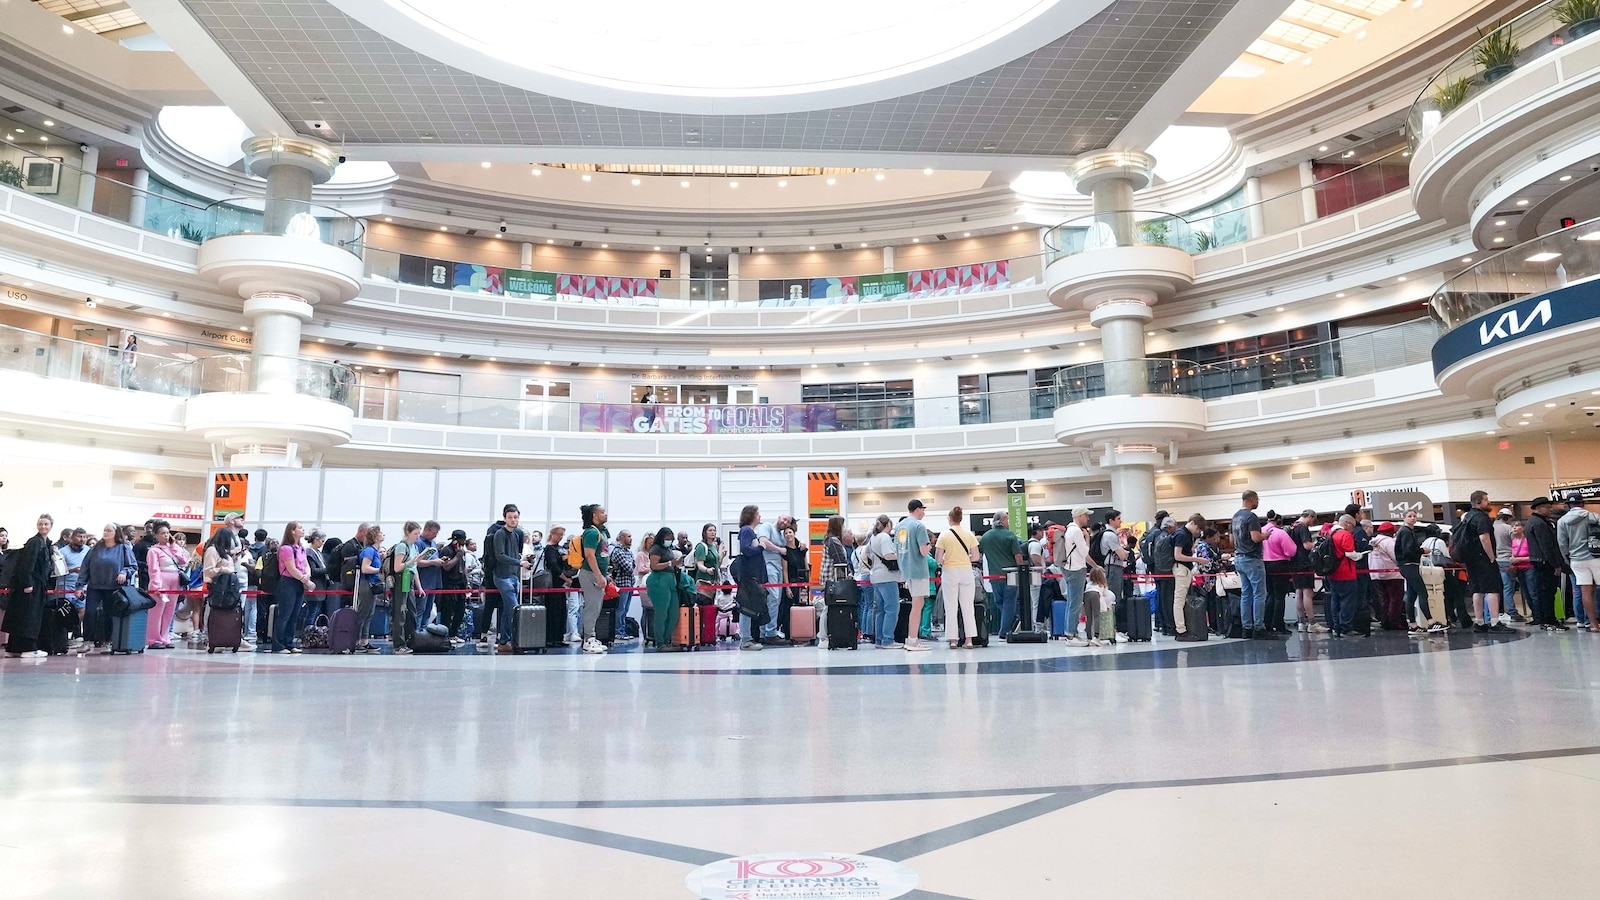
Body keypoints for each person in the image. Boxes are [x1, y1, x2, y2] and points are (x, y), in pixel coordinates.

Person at [77, 523, 138, 654]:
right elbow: (85, 567)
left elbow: (132, 565)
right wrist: (80, 585)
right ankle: (86, 641)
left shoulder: (123, 548)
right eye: (104, 530)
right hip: (95, 586)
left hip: (113, 587)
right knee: (90, 613)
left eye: (109, 530)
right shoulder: (95, 548)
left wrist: (124, 572)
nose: (106, 532)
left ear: (116, 533)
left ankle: (108, 642)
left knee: (109, 615)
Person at [3, 514, 55, 657]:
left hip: (37, 584)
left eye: (46, 524)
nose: (43, 526)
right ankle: (28, 648)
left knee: (23, 615)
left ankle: (14, 648)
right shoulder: (35, 543)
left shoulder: (47, 543)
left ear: (51, 526)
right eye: (40, 524)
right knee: (29, 617)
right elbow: (27, 564)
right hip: (31, 585)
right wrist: (27, 583)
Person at [1460, 491, 1508, 633]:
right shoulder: (1481, 517)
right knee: (1492, 588)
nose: (1489, 502)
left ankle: (1479, 621)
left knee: (1477, 589)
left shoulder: (1467, 516)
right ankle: (1494, 621)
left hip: (1471, 559)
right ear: (1478, 502)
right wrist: (1491, 557)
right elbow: (1484, 538)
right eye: (1486, 499)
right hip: (1483, 558)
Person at [487, 506, 530, 652]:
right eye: (510, 517)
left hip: (513, 576)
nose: (513, 520)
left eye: (516, 517)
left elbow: (514, 555)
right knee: (514, 608)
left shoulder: (516, 534)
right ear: (505, 518)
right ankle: (516, 639)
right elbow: (500, 555)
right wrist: (519, 562)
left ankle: (504, 641)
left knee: (507, 610)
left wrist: (520, 562)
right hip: (502, 576)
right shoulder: (500, 533)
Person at [935, 506, 979, 649]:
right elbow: (976, 556)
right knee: (968, 607)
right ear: (961, 519)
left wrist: (946, 561)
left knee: (951, 607)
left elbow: (938, 558)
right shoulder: (969, 535)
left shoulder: (944, 535)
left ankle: (953, 640)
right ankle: (969, 640)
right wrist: (966, 558)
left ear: (949, 519)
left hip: (950, 572)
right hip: (966, 571)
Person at [892, 500, 933, 651]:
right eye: (923, 509)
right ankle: (912, 639)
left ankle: (912, 639)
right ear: (917, 509)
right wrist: (929, 545)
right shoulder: (919, 526)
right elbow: (923, 551)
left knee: (916, 604)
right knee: (918, 605)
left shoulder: (900, 526)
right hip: (918, 569)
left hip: (906, 569)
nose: (924, 512)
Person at [1557, 492, 1600, 633]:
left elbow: (1562, 544)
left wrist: (1567, 559)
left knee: (1584, 592)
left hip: (1576, 560)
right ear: (1582, 503)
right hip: (1595, 557)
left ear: (1569, 505)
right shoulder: (1593, 516)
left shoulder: (1562, 521)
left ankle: (1593, 625)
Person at [1053, 508, 1097, 646]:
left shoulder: (1069, 530)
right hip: (1076, 569)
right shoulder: (1077, 531)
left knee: (1072, 602)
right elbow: (1084, 551)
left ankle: (1070, 633)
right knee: (1075, 603)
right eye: (1086, 515)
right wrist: (1087, 538)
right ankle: (1071, 635)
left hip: (1069, 568)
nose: (1088, 518)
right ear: (1080, 516)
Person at [979, 510, 1025, 639]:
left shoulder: (985, 537)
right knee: (1009, 603)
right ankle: (1004, 631)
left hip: (993, 576)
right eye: (1007, 520)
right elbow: (1018, 556)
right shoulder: (1010, 535)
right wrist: (1021, 569)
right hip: (1010, 574)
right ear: (1003, 520)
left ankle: (1012, 619)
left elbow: (978, 554)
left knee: (999, 601)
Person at [1526, 497, 1568, 631]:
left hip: (1538, 561)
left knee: (1542, 591)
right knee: (1548, 592)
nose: (1550, 510)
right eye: (1548, 507)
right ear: (1539, 508)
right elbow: (1546, 546)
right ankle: (1550, 620)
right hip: (1545, 562)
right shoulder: (1540, 524)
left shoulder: (1532, 522)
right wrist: (1555, 564)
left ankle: (1545, 619)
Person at [1394, 510, 1439, 634]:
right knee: (1422, 592)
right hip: (1409, 565)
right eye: (1409, 516)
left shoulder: (1404, 532)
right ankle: (1431, 622)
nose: (1413, 518)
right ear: (1404, 518)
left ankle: (1413, 625)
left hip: (1407, 566)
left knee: (1412, 595)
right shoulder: (1406, 532)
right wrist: (1422, 551)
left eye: (1414, 516)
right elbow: (1408, 551)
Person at [1230, 491, 1269, 639]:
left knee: (1246, 594)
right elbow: (1255, 537)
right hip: (1252, 559)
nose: (1258, 502)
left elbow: (1232, 541)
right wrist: (1266, 535)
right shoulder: (1251, 517)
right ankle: (1258, 627)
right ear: (1251, 499)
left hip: (1239, 558)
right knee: (1259, 594)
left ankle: (1246, 627)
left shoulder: (1235, 517)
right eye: (1257, 499)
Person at [143, 520, 187, 650]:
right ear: (156, 535)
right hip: (161, 580)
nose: (166, 535)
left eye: (168, 533)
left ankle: (164, 637)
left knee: (169, 611)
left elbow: (184, 560)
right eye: (162, 533)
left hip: (175, 580)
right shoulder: (153, 550)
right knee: (157, 611)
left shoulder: (173, 548)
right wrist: (156, 585)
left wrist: (173, 546)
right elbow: (153, 569)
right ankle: (153, 639)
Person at [861, 514, 902, 650]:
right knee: (892, 608)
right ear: (888, 525)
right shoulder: (885, 537)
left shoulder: (873, 538)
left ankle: (879, 639)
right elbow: (888, 555)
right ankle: (888, 639)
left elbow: (865, 554)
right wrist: (901, 556)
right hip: (887, 577)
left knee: (880, 610)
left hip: (875, 576)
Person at [271, 522, 312, 654]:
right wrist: (304, 579)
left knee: (295, 615)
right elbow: (291, 568)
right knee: (284, 615)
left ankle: (289, 643)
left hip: (299, 582)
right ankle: (278, 645)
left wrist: (307, 576)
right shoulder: (286, 549)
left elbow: (306, 565)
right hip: (288, 582)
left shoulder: (301, 548)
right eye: (300, 527)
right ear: (292, 531)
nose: (303, 529)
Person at [577, 504, 612, 654]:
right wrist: (598, 574)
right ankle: (588, 639)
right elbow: (590, 555)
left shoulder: (601, 532)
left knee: (596, 607)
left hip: (598, 573)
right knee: (591, 607)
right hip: (590, 573)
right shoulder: (591, 532)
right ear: (594, 516)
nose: (606, 514)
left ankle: (592, 637)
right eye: (602, 512)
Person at [388, 522, 424, 654]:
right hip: (401, 579)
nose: (417, 536)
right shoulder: (402, 547)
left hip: (409, 580)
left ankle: (411, 639)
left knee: (411, 612)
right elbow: (398, 567)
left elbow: (414, 569)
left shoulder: (414, 546)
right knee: (400, 612)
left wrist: (419, 587)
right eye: (415, 534)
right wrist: (411, 561)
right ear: (408, 533)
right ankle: (399, 644)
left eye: (418, 534)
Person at [754, 511, 790, 645]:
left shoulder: (782, 535)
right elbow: (763, 542)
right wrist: (779, 550)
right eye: (784, 519)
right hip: (768, 566)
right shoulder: (767, 527)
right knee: (773, 598)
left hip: (778, 568)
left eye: (788, 522)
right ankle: (770, 632)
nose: (785, 523)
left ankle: (766, 631)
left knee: (775, 600)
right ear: (779, 517)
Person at [1327, 515, 1366, 637]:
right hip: (1346, 572)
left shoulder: (1329, 533)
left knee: (1335, 600)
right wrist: (1361, 555)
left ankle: (1336, 627)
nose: (1353, 530)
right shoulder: (1345, 534)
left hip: (1332, 572)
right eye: (1353, 526)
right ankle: (1346, 628)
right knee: (1348, 601)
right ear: (1348, 524)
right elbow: (1350, 554)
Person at [1097, 510, 1132, 640]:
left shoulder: (1109, 534)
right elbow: (1122, 555)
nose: (1120, 521)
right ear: (1111, 520)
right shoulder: (1110, 536)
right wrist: (1125, 553)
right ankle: (1112, 629)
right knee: (1112, 598)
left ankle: (1112, 628)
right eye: (1118, 519)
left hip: (1113, 567)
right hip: (1113, 569)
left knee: (1113, 597)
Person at [647, 526, 682, 651]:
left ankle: (667, 640)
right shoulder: (656, 549)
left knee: (673, 613)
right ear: (661, 537)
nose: (669, 540)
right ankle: (660, 642)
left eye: (671, 538)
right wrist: (670, 563)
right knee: (661, 613)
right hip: (659, 581)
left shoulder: (668, 549)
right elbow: (654, 566)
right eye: (667, 538)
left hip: (670, 581)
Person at [1172, 513, 1205, 641]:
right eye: (1198, 528)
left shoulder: (1183, 534)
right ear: (1192, 523)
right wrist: (1197, 559)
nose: (1198, 532)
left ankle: (1181, 628)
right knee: (1179, 600)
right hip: (1181, 568)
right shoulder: (1182, 535)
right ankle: (1181, 630)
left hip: (1182, 569)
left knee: (1179, 600)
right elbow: (1178, 555)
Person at [354, 525, 386, 653]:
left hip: (372, 585)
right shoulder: (369, 551)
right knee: (363, 613)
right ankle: (356, 641)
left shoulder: (375, 551)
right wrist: (380, 570)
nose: (383, 534)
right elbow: (365, 568)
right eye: (380, 533)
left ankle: (364, 640)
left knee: (369, 613)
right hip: (366, 584)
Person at [1369, 522, 1405, 631]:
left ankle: (1385, 621)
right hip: (1392, 574)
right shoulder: (1389, 542)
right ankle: (1394, 622)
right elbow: (1396, 557)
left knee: (1384, 599)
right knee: (1395, 599)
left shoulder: (1373, 542)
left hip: (1376, 574)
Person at [411, 521, 444, 631]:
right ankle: (416, 634)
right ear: (427, 530)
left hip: (433, 582)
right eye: (434, 532)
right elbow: (416, 563)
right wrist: (433, 562)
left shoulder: (433, 543)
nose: (435, 535)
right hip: (422, 582)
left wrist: (439, 561)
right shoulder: (418, 543)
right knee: (420, 609)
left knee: (428, 610)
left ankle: (424, 633)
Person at [437, 529, 469, 641]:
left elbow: (463, 567)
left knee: (460, 610)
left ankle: (453, 633)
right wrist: (457, 556)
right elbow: (446, 567)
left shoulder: (462, 551)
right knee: (447, 610)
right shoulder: (447, 550)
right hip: (449, 584)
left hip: (460, 584)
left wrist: (467, 582)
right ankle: (445, 635)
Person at [1290, 510, 1319, 631]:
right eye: (1313, 520)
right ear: (1310, 517)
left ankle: (1302, 622)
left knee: (1298, 593)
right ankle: (1312, 623)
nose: (1312, 523)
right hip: (1304, 563)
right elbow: (1307, 545)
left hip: (1293, 563)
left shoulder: (1292, 527)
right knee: (1307, 593)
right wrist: (1318, 545)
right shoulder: (1303, 527)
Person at [58, 527, 88, 644]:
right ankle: (64, 637)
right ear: (72, 538)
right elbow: (58, 570)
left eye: (84, 537)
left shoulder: (88, 550)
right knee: (66, 610)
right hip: (65, 584)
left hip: (82, 585)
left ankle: (75, 631)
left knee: (82, 610)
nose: (82, 539)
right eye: (79, 536)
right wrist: (72, 570)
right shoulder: (63, 551)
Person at [1493, 508, 1520, 621]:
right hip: (1509, 560)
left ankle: (1502, 611)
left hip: (1497, 560)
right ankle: (1512, 612)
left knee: (1503, 587)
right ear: (1507, 518)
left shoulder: (1491, 527)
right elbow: (1515, 544)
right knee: (1509, 588)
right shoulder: (1508, 528)